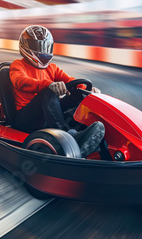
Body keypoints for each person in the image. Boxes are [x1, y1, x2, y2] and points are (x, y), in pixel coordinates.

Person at [10, 25, 104, 158]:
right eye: (37, 46)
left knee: (78, 93)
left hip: (44, 116)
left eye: (44, 46)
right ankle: (66, 137)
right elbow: (20, 81)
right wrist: (49, 85)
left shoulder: (52, 68)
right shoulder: (18, 65)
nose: (42, 51)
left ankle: (81, 130)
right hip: (25, 119)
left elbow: (70, 81)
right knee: (48, 92)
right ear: (25, 46)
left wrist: (88, 90)